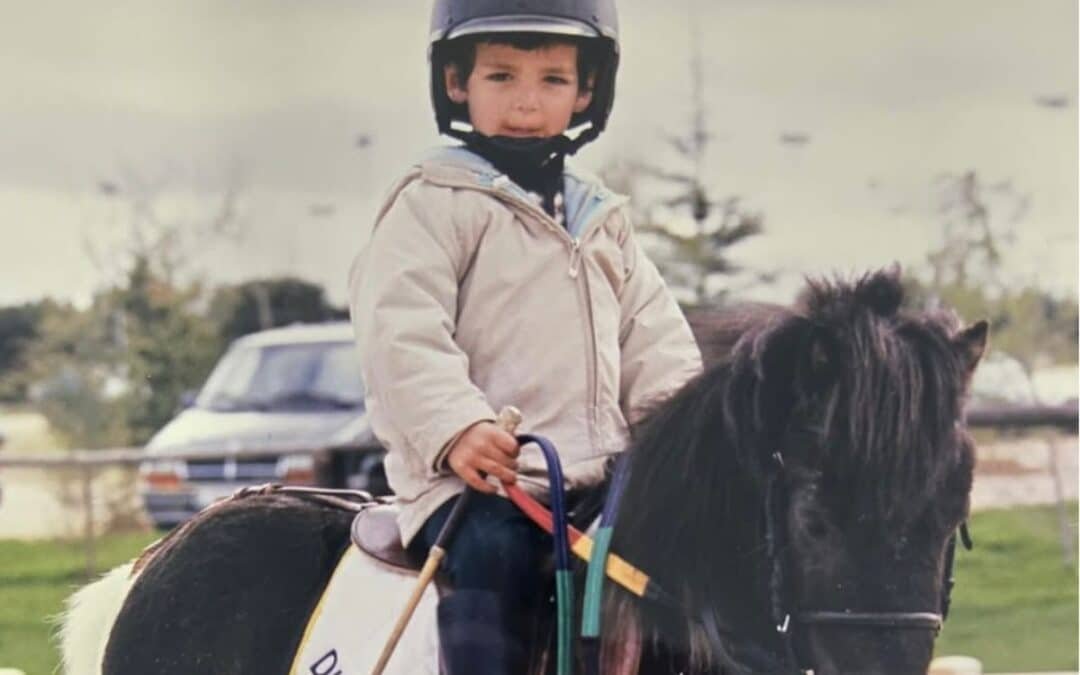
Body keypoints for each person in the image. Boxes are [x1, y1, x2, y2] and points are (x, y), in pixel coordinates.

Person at [348, 1, 702, 671]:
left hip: (600, 479)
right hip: (481, 485)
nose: (526, 104)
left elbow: (654, 339)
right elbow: (401, 331)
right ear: (456, 81)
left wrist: (682, 437)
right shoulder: (433, 200)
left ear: (588, 89)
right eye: (501, 77)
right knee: (497, 558)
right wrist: (456, 428)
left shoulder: (601, 218)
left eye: (552, 81)